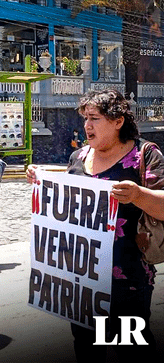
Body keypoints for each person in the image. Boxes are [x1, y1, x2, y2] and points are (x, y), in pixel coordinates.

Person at [27, 89, 164, 362]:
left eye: (95, 118)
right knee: (87, 348)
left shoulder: (144, 155)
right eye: (85, 118)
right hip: (82, 281)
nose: (87, 125)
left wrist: (138, 195)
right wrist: (42, 181)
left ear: (118, 121)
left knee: (130, 348)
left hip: (127, 280)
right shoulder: (78, 157)